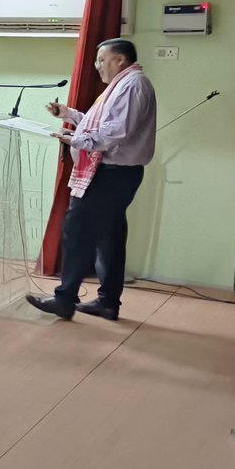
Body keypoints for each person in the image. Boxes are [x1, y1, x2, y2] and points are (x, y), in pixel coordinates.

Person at [28, 38, 157, 322]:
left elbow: (117, 131)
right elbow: (102, 124)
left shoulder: (132, 84)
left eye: (101, 60)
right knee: (109, 238)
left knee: (78, 230)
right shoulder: (122, 84)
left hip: (111, 174)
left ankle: (65, 299)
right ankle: (107, 303)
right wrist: (70, 115)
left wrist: (76, 140)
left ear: (119, 60)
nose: (97, 66)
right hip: (115, 173)